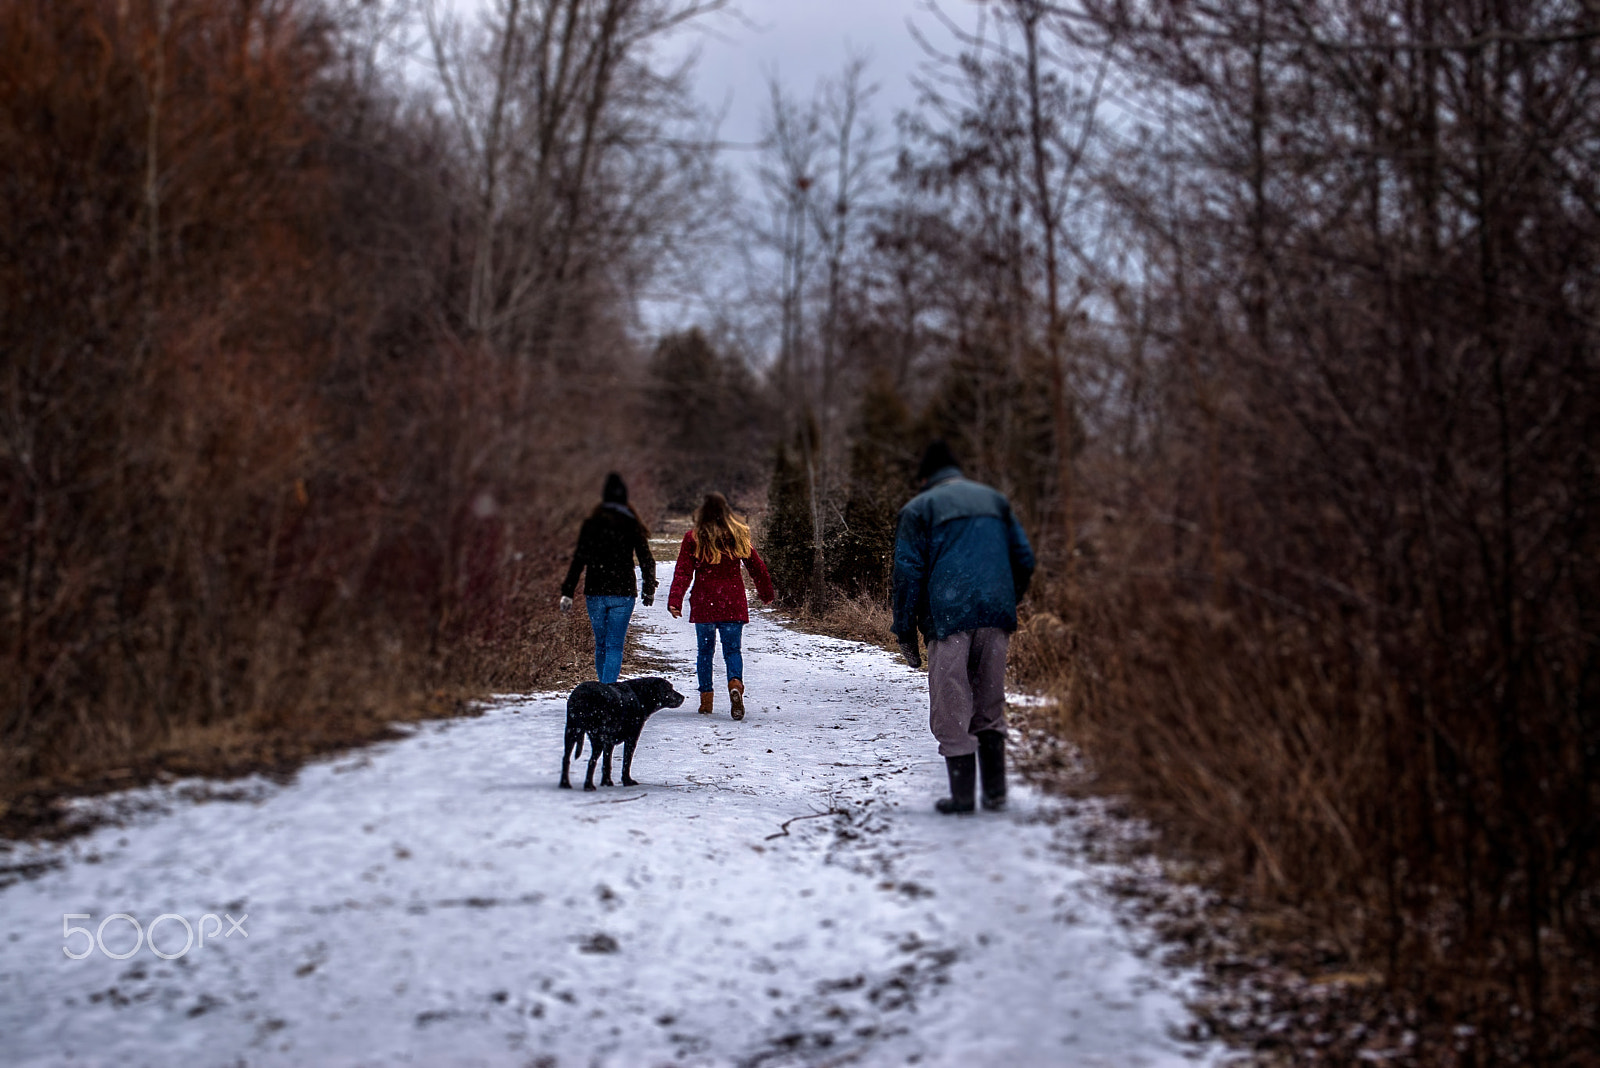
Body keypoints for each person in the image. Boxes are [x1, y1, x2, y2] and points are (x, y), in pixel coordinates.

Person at [891, 441, 1036, 813]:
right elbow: (1024, 558)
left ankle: (962, 796)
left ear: (925, 477)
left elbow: (908, 575)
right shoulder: (994, 501)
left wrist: (905, 631)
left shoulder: (919, 509)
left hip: (948, 617)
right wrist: (1006, 598)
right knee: (989, 699)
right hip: (995, 614)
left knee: (952, 704)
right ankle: (996, 792)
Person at [667, 492, 775, 721]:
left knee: (705, 652)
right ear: (727, 512)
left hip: (705, 603)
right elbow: (757, 567)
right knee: (732, 650)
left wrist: (675, 600)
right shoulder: (737, 535)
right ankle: (735, 684)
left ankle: (706, 700)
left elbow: (683, 572)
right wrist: (766, 593)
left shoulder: (693, 538)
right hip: (732, 603)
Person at [560, 472, 657, 684]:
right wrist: (648, 588)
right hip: (622, 592)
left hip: (595, 591)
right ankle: (608, 690)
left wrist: (568, 591)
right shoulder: (632, 524)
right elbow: (647, 560)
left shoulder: (591, 524)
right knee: (614, 645)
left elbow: (579, 560)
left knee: (601, 644)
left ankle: (603, 692)